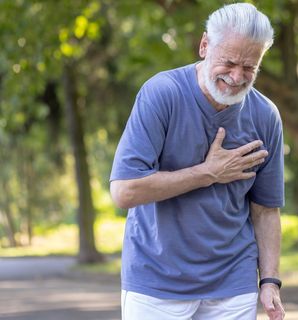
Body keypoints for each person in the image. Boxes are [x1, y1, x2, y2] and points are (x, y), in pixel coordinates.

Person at [109, 3, 285, 320]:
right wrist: (208, 173)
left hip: (234, 282)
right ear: (204, 45)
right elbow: (124, 191)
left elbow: (265, 210)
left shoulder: (265, 114)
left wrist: (270, 281)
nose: (236, 77)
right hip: (156, 282)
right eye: (229, 62)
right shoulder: (162, 94)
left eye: (249, 68)